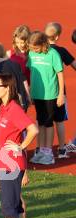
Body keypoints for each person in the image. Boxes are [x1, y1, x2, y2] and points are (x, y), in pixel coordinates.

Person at [0, 73, 38, 218]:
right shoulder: (3, 107)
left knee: (9, 207)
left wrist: (21, 147)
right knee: (16, 206)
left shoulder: (14, 109)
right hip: (4, 162)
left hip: (11, 165)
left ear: (7, 88)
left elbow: (33, 130)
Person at [27, 31, 64, 165]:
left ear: (43, 44)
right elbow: (31, 73)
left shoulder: (53, 54)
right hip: (37, 94)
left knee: (48, 123)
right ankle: (41, 151)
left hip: (50, 94)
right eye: (32, 48)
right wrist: (30, 92)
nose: (33, 50)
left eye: (36, 48)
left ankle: (48, 153)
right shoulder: (31, 54)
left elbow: (60, 74)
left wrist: (60, 94)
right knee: (40, 122)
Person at [45, 22, 76, 159]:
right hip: (58, 93)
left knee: (44, 122)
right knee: (59, 121)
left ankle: (44, 150)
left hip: (43, 93)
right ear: (57, 37)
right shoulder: (61, 51)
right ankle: (62, 149)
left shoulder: (38, 51)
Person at [0, 42, 30, 110]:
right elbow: (24, 81)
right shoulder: (15, 64)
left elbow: (2, 89)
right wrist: (28, 97)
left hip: (11, 104)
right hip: (22, 101)